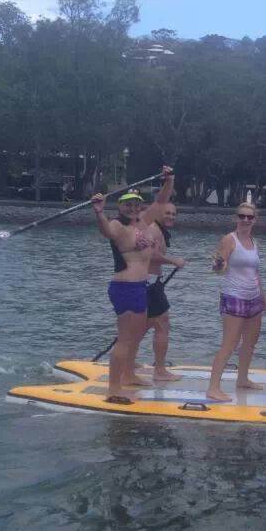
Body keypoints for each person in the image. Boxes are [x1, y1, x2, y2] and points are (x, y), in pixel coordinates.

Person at [91, 167, 176, 403]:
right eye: (127, 204)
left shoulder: (144, 222)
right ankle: (113, 389)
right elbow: (106, 232)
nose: (132, 208)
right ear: (120, 206)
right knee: (125, 339)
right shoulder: (118, 225)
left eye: (136, 204)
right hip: (125, 288)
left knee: (135, 336)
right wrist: (99, 212)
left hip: (140, 287)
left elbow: (161, 201)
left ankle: (128, 375)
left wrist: (169, 180)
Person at [206, 202, 266, 402]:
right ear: (236, 218)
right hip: (234, 297)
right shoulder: (229, 239)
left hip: (254, 297)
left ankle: (242, 379)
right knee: (229, 344)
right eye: (242, 216)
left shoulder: (254, 241)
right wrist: (218, 265)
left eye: (250, 217)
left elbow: (255, 272)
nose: (245, 220)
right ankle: (213, 387)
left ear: (255, 220)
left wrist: (263, 295)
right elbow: (219, 267)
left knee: (250, 342)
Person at [144, 200, 186, 383]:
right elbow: (149, 255)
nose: (171, 217)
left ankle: (128, 363)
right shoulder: (153, 230)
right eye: (167, 213)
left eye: (174, 214)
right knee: (162, 325)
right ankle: (159, 371)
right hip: (149, 284)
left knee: (142, 326)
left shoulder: (158, 230)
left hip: (152, 283)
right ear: (158, 213)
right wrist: (173, 261)